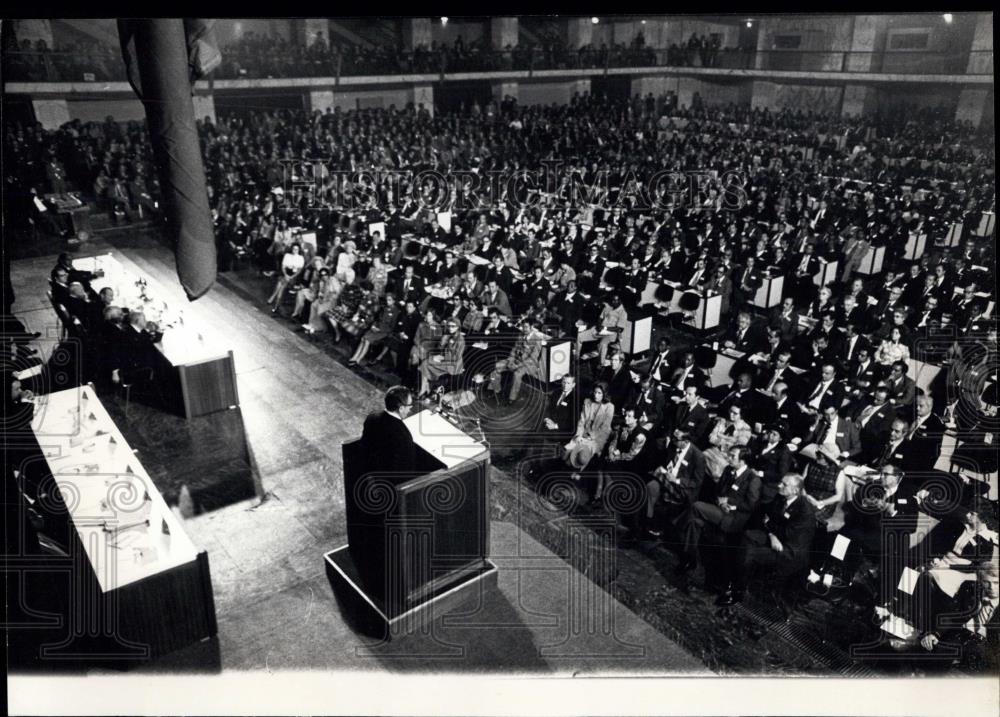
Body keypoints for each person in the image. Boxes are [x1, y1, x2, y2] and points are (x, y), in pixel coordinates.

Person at [722, 473, 817, 607]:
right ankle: (733, 580)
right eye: (781, 482)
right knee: (747, 536)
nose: (779, 486)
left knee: (750, 553)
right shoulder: (780, 497)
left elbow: (788, 533)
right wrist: (772, 535)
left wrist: (771, 527)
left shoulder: (805, 511)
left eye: (784, 484)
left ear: (795, 490)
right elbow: (767, 517)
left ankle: (737, 591)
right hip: (776, 538)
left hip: (790, 551)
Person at [360, 386, 416, 480]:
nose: (410, 409)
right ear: (401, 408)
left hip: (368, 470)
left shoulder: (372, 416)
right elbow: (406, 469)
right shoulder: (403, 436)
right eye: (409, 405)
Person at [563, 382, 615, 476]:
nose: (596, 395)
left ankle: (575, 474)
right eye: (595, 392)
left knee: (584, 452)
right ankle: (565, 471)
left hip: (598, 437)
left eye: (599, 393)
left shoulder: (609, 407)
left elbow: (605, 427)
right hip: (583, 433)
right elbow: (581, 421)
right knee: (570, 447)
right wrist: (579, 435)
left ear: (604, 394)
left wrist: (590, 438)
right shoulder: (587, 401)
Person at [268, 242, 304, 313]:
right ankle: (276, 305)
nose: (295, 250)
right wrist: (286, 275)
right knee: (281, 285)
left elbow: (299, 271)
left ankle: (273, 297)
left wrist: (291, 277)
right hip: (285, 274)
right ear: (292, 249)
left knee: (281, 285)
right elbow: (283, 267)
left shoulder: (300, 258)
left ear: (299, 250)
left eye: (296, 249)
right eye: (294, 249)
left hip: (293, 277)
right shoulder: (287, 255)